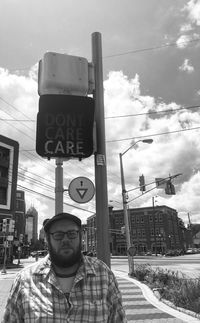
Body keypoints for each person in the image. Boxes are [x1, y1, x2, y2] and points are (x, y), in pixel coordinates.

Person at [2, 212, 127, 322]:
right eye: (58, 235)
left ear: (80, 236)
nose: (65, 240)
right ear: (47, 239)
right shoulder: (25, 280)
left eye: (72, 234)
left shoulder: (103, 275)